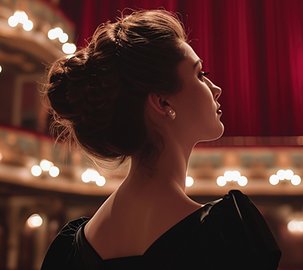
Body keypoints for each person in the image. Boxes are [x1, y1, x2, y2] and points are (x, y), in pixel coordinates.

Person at [40, 9, 281, 269]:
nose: (216, 89)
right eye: (200, 74)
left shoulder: (67, 250)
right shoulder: (226, 234)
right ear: (163, 102)